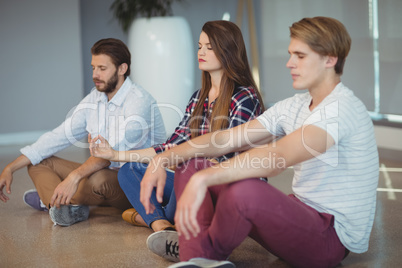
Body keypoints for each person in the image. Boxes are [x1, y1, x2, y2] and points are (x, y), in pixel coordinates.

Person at [140, 17, 379, 268]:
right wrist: (162, 158)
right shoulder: (294, 105)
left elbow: (278, 157)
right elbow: (225, 140)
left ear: (330, 59)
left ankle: (203, 252)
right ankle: (197, 256)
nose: (289, 63)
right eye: (290, 54)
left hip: (329, 238)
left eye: (300, 56)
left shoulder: (341, 109)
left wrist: (206, 179)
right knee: (191, 165)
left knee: (245, 190)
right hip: (298, 216)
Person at [89, 20, 265, 243]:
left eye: (209, 47)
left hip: (227, 187)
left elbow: (227, 155)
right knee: (129, 170)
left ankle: (153, 218)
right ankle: (162, 225)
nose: (201, 52)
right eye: (200, 46)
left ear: (228, 51)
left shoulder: (244, 97)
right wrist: (114, 154)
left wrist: (177, 160)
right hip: (192, 180)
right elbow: (170, 147)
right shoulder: (198, 98)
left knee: (189, 169)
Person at [0, 38, 166, 227]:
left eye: (102, 69)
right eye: (93, 67)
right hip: (102, 172)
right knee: (39, 162)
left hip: (135, 183)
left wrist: (73, 177)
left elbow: (109, 155)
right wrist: (10, 168)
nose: (95, 74)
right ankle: (66, 204)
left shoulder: (140, 102)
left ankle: (53, 200)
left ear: (122, 69)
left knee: (99, 179)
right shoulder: (95, 98)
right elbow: (59, 135)